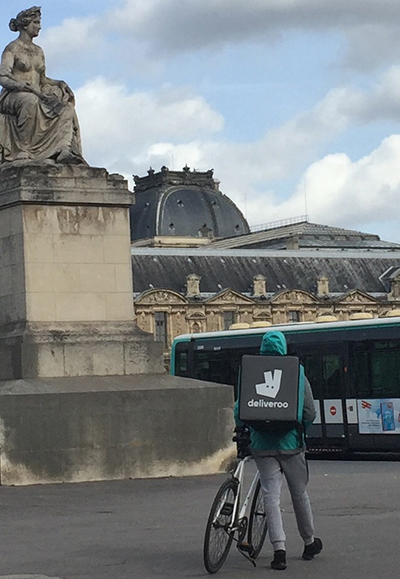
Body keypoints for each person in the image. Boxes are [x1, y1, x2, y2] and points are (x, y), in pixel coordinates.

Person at [234, 330, 322, 571]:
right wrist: (301, 428)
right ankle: (308, 542)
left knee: (270, 497)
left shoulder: (250, 369)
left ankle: (279, 551)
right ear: (284, 346)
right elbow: (309, 412)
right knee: (299, 494)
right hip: (291, 443)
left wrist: (244, 428)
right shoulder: (296, 370)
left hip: (262, 444)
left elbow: (241, 407)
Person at [0, 6, 86, 164]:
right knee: (29, 100)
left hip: (36, 92)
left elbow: (42, 80)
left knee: (66, 107)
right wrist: (22, 86)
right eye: (36, 22)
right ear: (25, 24)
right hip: (13, 96)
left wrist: (59, 83)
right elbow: (3, 76)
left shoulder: (39, 51)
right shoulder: (12, 48)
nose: (39, 26)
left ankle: (63, 149)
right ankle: (23, 150)